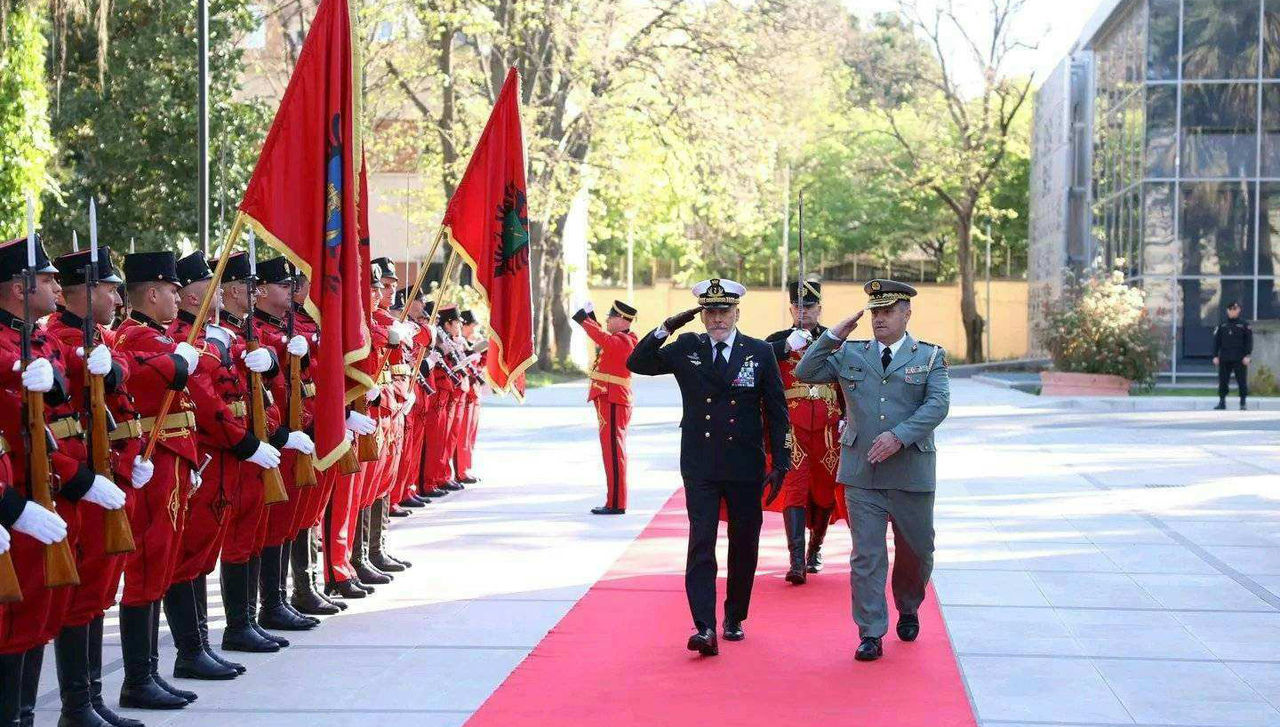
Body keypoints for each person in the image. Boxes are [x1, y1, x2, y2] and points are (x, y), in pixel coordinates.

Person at [626, 278, 789, 656]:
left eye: (724, 311)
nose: (717, 318)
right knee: (701, 541)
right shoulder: (688, 347)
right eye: (710, 311)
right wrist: (668, 326)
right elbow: (638, 362)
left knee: (744, 543)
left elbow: (777, 411)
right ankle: (704, 625)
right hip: (701, 462)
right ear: (701, 316)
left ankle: (734, 615)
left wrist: (781, 461)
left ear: (737, 313)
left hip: (745, 463)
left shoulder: (759, 352)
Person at [794, 279, 950, 663]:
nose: (879, 318)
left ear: (906, 313)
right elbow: (805, 370)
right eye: (875, 311)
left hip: (911, 472)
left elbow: (937, 405)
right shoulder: (850, 352)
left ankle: (908, 605)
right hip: (862, 473)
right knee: (866, 556)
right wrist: (834, 334)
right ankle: (870, 631)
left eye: (887, 311)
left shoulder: (929, 356)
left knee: (917, 551)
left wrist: (899, 436)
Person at [115, 250, 203, 709]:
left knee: (163, 564)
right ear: (151, 292)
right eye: (171, 290)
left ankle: (148, 671)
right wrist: (175, 362)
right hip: (154, 457)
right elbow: (144, 383)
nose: (177, 297)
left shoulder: (159, 337)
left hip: (174, 456)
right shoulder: (133, 336)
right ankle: (137, 678)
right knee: (148, 565)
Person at [764, 280, 843, 585]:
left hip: (828, 428)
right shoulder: (777, 341)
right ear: (790, 309)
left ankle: (815, 549)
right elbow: (759, 368)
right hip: (792, 428)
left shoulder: (835, 340)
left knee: (824, 489)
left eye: (809, 306)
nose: (803, 311)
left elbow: (848, 383)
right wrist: (786, 346)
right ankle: (795, 560)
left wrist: (849, 417)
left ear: (819, 309)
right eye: (798, 306)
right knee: (794, 488)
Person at [572, 299, 638, 515]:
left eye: (611, 317)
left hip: (613, 400)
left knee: (614, 453)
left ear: (622, 320)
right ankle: (614, 500)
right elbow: (603, 337)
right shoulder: (620, 339)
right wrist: (590, 318)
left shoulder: (625, 340)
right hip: (609, 399)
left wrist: (584, 320)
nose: (608, 320)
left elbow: (602, 338)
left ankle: (617, 502)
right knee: (610, 452)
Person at [1213, 301, 1252, 410]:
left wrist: (1247, 355)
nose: (1232, 311)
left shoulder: (1244, 325)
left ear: (1239, 310)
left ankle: (1243, 402)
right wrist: (1215, 355)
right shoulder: (1222, 325)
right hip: (1225, 357)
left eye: (1235, 309)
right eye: (1230, 309)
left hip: (1240, 358)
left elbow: (1249, 341)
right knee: (1223, 381)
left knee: (1241, 381)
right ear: (1227, 311)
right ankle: (1222, 402)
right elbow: (1216, 341)